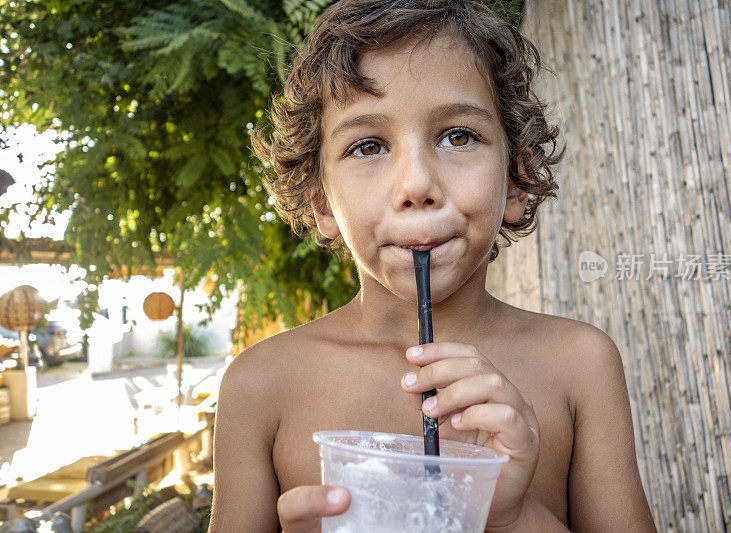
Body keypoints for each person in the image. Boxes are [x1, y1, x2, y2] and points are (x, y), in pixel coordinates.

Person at [209, 1, 657, 531]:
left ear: (515, 178)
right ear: (323, 203)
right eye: (369, 145)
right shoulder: (260, 386)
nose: (417, 184)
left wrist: (512, 517)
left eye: (458, 136)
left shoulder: (580, 365)